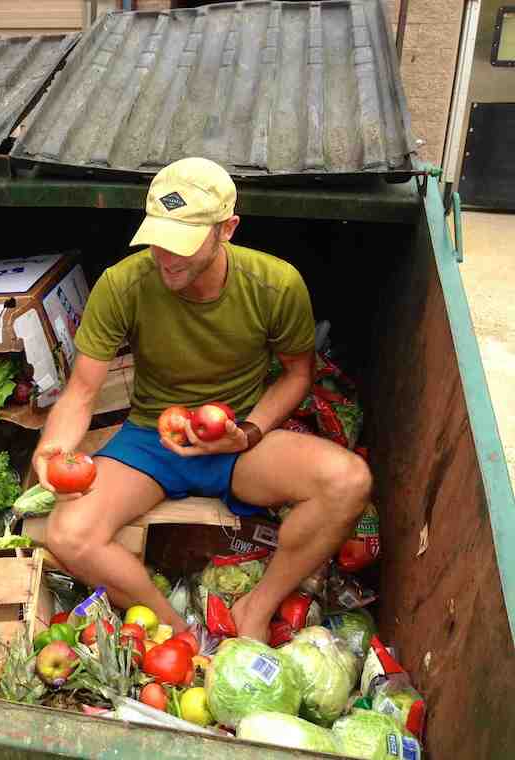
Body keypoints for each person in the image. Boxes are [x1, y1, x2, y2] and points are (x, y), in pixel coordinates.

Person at [32, 158, 371, 642]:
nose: (166, 256)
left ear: (227, 229)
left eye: (184, 243)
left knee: (349, 481)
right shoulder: (124, 283)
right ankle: (177, 632)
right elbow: (82, 391)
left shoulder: (275, 284)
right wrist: (52, 451)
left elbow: (298, 375)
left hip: (236, 443)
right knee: (67, 533)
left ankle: (256, 608)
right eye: (158, 238)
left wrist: (248, 432)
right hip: (152, 439)